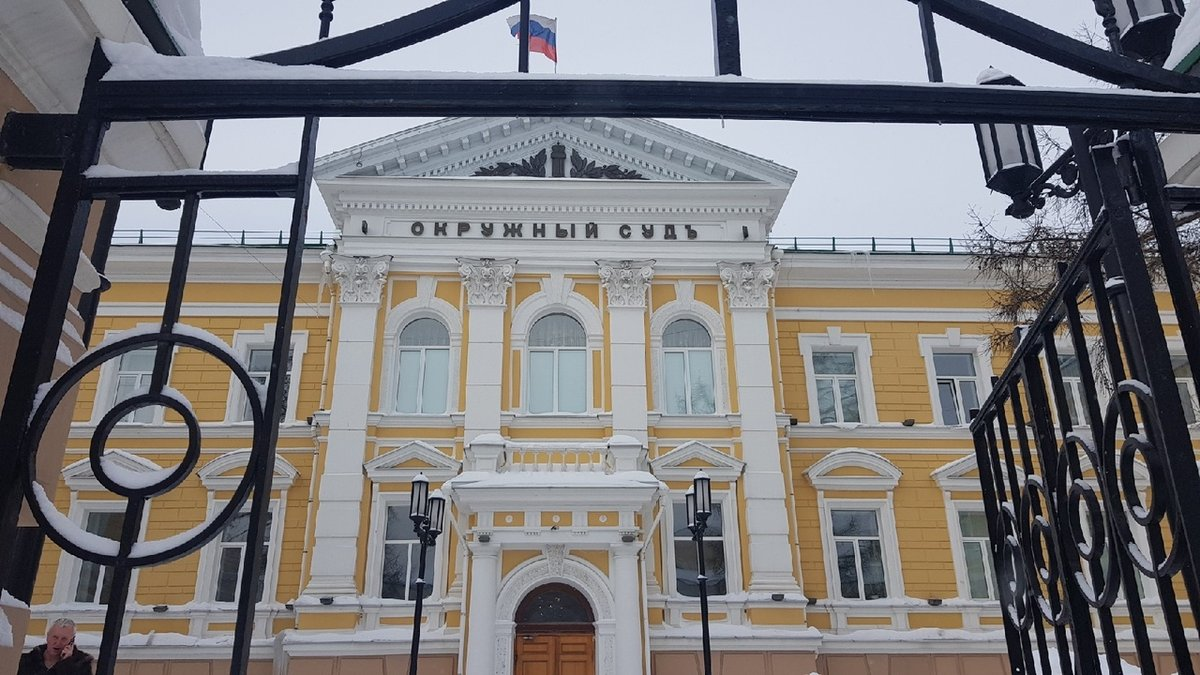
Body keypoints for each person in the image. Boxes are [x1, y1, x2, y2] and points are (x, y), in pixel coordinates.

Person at [17, 618, 94, 674]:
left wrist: (66, 663)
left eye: (64, 639)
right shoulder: (28, 660)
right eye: (55, 637)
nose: (58, 642)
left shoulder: (81, 665)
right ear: (47, 636)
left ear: (72, 641)